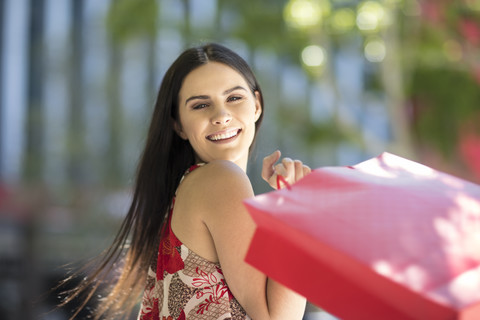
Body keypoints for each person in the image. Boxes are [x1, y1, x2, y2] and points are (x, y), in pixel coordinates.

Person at [59, 43, 310, 320]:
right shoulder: (220, 180)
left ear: (257, 105)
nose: (221, 116)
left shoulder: (187, 189)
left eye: (234, 98)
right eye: (201, 105)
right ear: (178, 124)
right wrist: (297, 212)